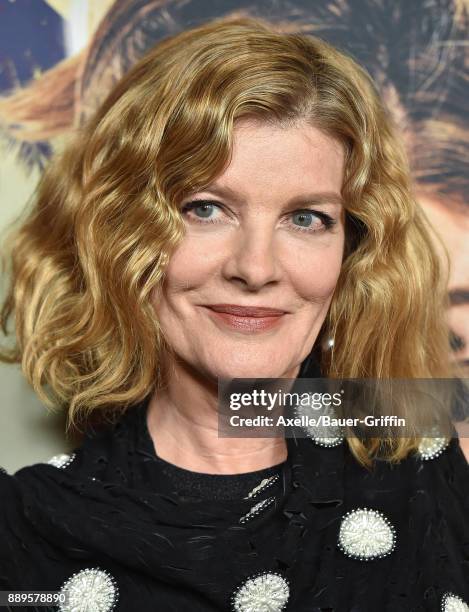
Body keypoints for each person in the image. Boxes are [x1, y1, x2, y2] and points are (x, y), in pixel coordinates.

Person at [0, 16, 467, 612]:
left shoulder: (428, 438)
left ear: (352, 253)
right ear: (123, 237)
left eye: (306, 218)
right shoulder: (24, 534)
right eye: (206, 209)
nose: (255, 267)